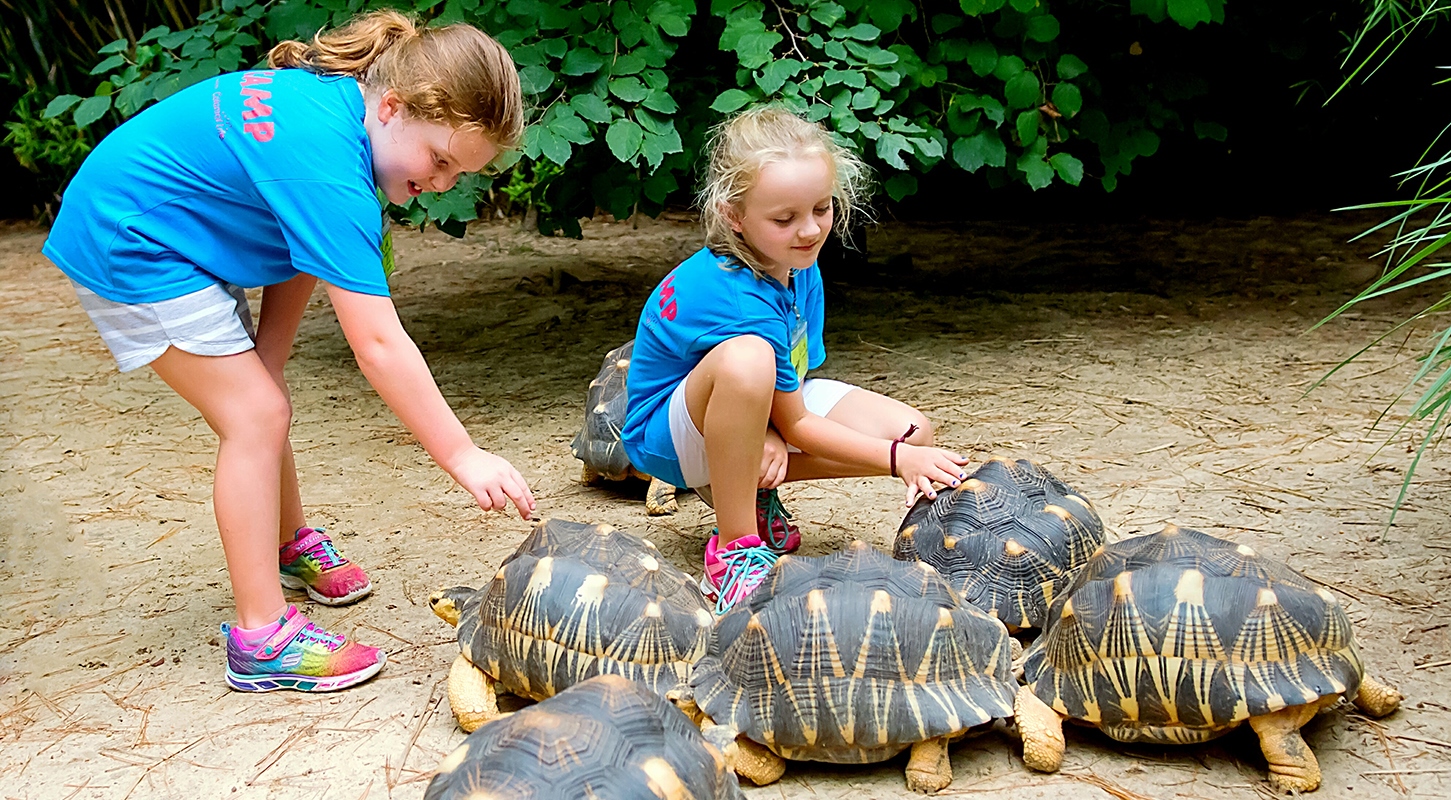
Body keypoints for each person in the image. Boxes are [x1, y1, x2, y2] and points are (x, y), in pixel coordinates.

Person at [41, 11, 536, 692]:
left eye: (460, 173)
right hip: (132, 237)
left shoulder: (341, 110)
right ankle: (261, 638)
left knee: (262, 401)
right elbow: (379, 344)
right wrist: (462, 454)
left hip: (163, 227)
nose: (444, 183)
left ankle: (285, 540)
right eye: (441, 160)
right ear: (392, 107)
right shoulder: (329, 165)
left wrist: (267, 358)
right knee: (256, 418)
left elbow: (299, 248)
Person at [621, 105, 970, 612]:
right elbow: (789, 409)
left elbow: (800, 377)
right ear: (733, 216)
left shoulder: (797, 264)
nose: (809, 230)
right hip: (669, 436)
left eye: (822, 209)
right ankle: (735, 551)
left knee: (914, 433)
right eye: (784, 218)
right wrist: (897, 463)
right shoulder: (739, 295)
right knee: (749, 359)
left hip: (750, 402)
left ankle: (748, 488)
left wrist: (776, 431)